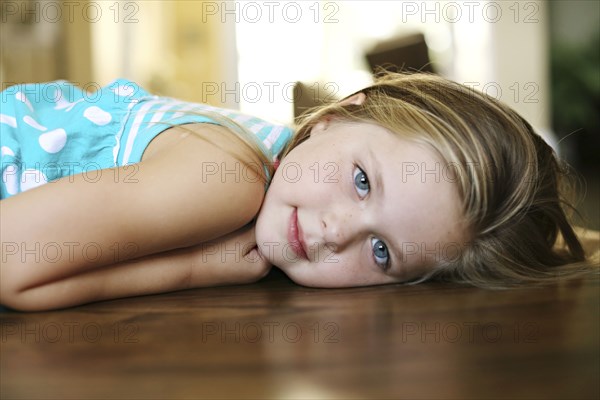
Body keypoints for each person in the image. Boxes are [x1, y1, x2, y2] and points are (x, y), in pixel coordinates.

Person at [0, 72, 597, 311]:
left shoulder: (275, 159)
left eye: (382, 251)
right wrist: (193, 268)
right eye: (362, 181)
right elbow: (9, 267)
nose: (337, 231)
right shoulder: (227, 179)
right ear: (338, 116)